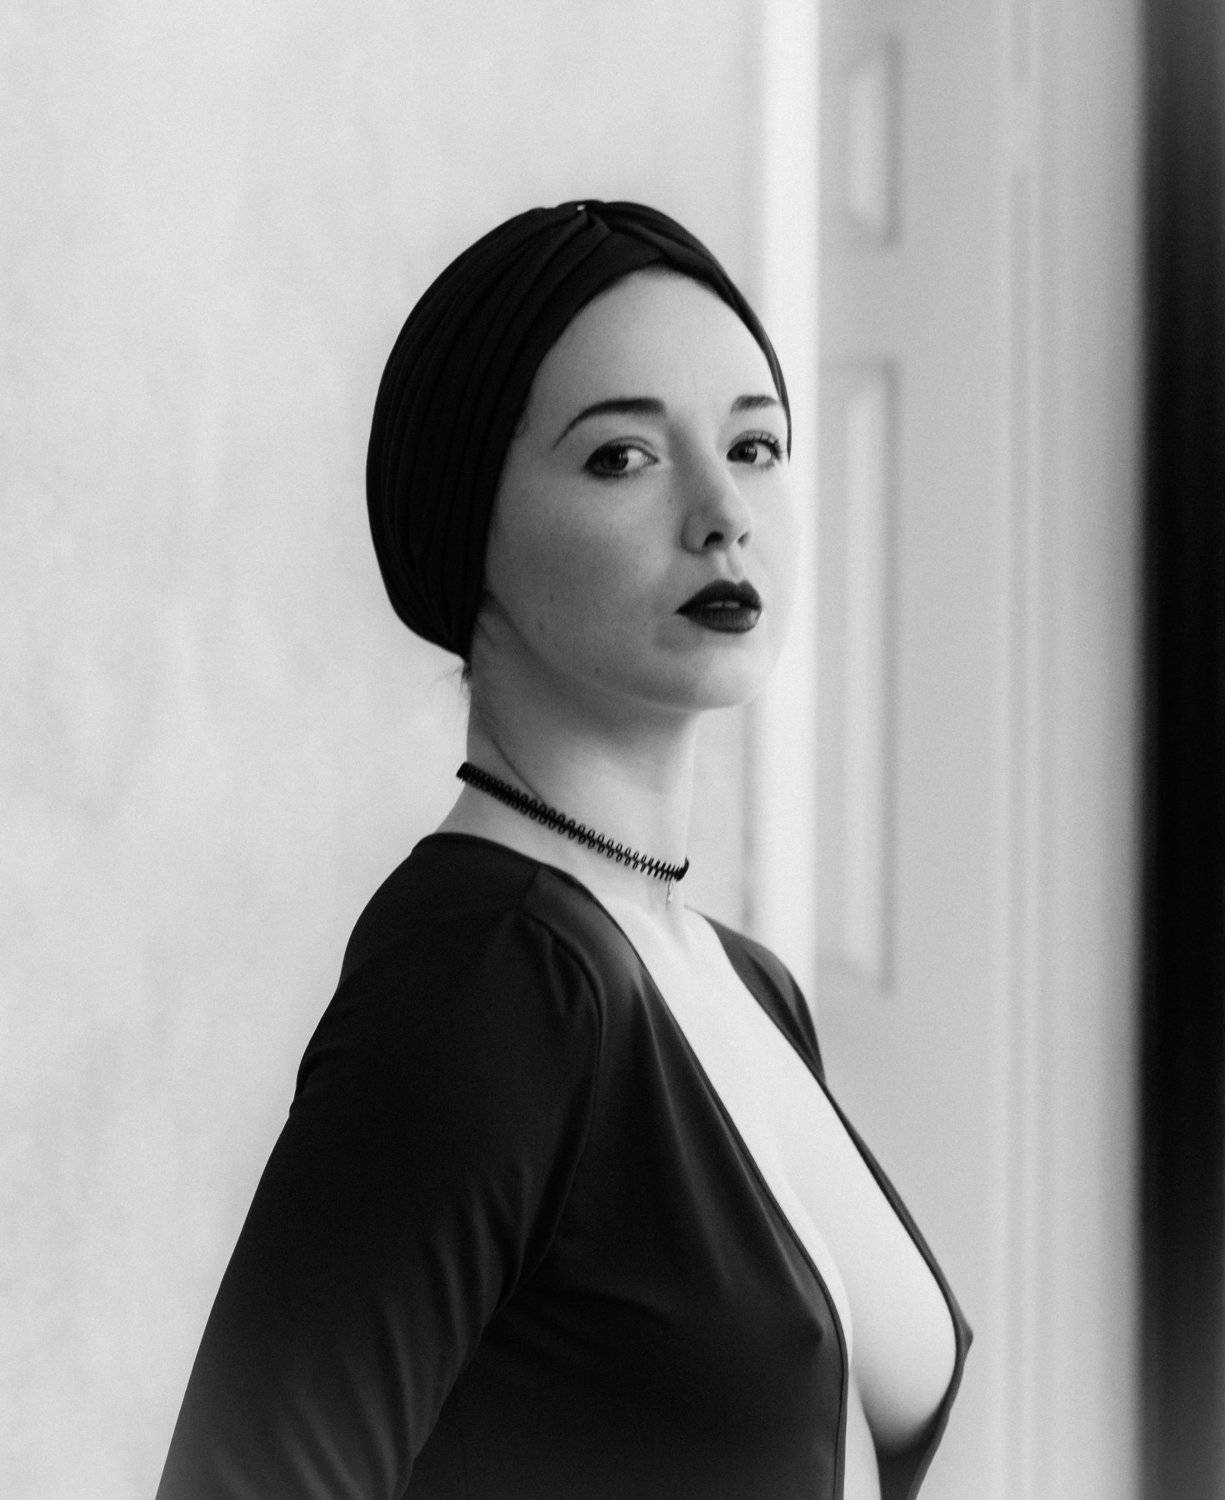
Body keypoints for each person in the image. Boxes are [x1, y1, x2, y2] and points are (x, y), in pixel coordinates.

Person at [157, 200, 971, 1499]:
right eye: (620, 458)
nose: (723, 513)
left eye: (755, 445)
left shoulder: (746, 986)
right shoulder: (488, 977)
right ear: (463, 521)